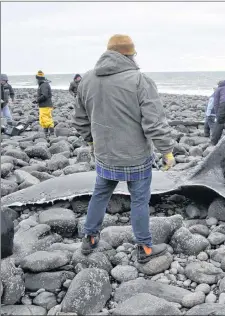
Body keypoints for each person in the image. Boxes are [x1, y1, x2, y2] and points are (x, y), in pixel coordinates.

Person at [72, 34, 176, 264]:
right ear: (130, 54)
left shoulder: (87, 80)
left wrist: (91, 142)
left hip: (105, 155)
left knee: (100, 195)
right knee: (139, 200)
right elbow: (154, 122)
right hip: (136, 156)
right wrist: (166, 151)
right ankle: (144, 248)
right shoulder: (140, 80)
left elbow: (80, 120)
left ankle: (89, 238)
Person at [32, 70, 55, 138]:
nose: (36, 81)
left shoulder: (43, 85)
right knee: (44, 118)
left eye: (37, 79)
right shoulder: (44, 84)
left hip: (45, 105)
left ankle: (51, 132)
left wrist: (37, 100)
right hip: (45, 105)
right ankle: (46, 132)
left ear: (38, 78)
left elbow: (44, 95)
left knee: (46, 118)